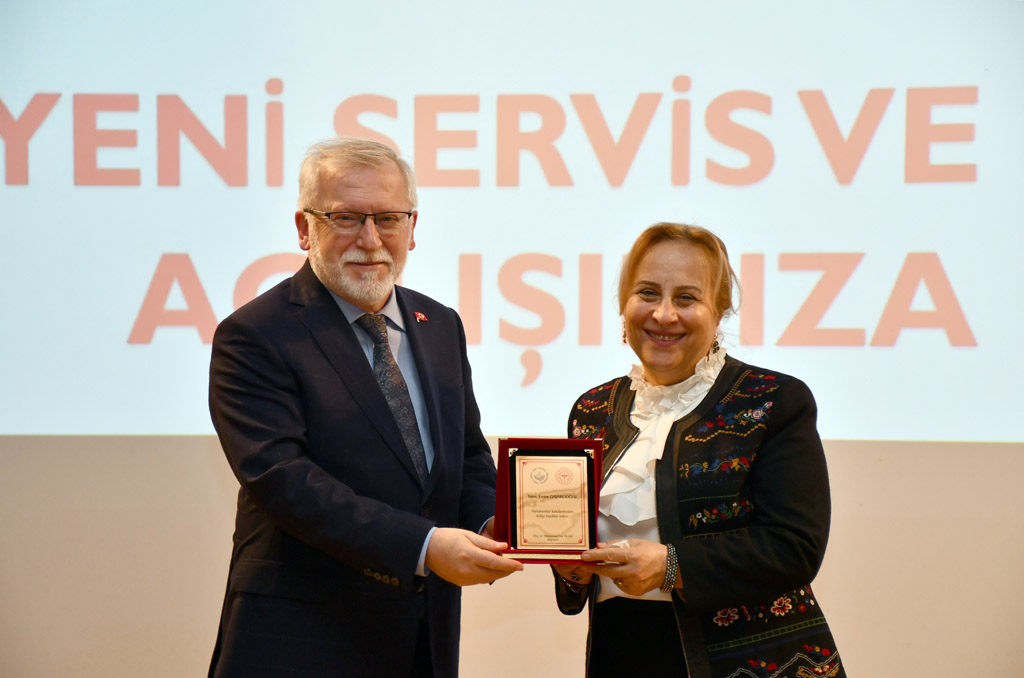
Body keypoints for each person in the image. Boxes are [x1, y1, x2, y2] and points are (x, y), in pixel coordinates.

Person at [207, 137, 522, 678]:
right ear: (304, 227)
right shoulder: (255, 335)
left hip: (422, 639)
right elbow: (285, 481)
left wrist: (495, 521)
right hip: (299, 641)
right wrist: (425, 546)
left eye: (388, 218)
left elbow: (467, 457)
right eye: (346, 218)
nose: (370, 239)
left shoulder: (440, 325)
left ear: (412, 227)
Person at [552, 223, 845, 678]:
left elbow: (794, 547)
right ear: (624, 304)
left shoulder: (773, 400)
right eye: (647, 293)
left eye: (686, 298)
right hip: (621, 653)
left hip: (747, 664)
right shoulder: (591, 410)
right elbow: (575, 554)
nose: (664, 314)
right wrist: (572, 569)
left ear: (719, 310)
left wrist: (670, 566)